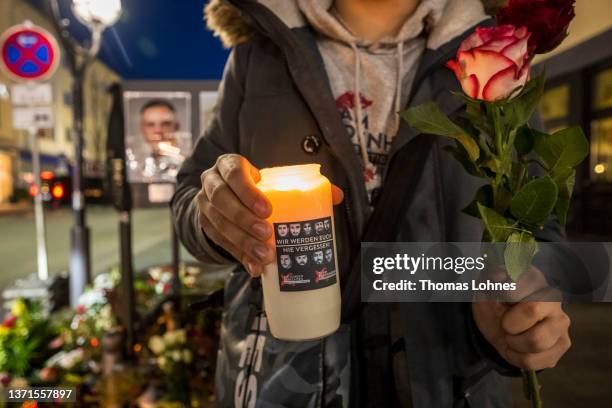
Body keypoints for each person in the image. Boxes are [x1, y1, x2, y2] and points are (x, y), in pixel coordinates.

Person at [171, 0, 571, 406]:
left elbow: (539, 222)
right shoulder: (258, 55)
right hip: (284, 379)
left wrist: (521, 308)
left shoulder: (496, 51)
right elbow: (190, 196)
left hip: (450, 378)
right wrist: (214, 215)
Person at [127, 99, 183, 182]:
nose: (158, 130)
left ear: (176, 126)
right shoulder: (133, 166)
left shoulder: (188, 166)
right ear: (142, 129)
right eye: (150, 125)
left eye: (165, 124)